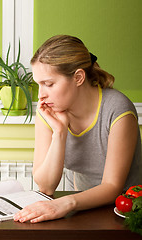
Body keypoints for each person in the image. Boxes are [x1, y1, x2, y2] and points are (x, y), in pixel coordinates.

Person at [13, 35, 142, 223]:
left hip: (126, 212)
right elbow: (46, 186)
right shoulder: (48, 111)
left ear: (78, 77)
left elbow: (112, 186)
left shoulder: (118, 110)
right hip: (83, 208)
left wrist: (64, 204)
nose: (41, 95)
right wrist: (59, 133)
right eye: (38, 84)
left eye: (49, 84)